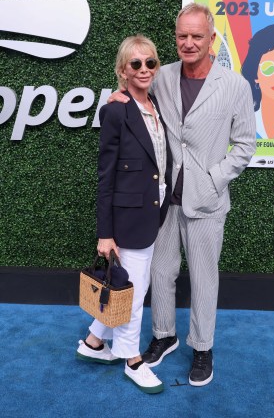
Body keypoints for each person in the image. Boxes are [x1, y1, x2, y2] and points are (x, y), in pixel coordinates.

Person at [109, 3, 256, 386]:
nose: (188, 43)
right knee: (160, 271)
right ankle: (164, 335)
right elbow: (134, 92)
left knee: (205, 277)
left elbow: (244, 146)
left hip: (206, 199)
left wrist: (214, 178)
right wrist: (115, 96)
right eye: (182, 36)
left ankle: (203, 347)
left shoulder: (235, 85)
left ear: (211, 39)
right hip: (163, 199)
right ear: (175, 38)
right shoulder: (161, 76)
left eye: (196, 36)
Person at [76, 34, 172, 394]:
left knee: (124, 286)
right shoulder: (115, 109)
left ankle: (94, 342)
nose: (144, 69)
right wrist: (105, 233)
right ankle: (132, 360)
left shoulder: (157, 104)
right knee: (133, 289)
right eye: (136, 64)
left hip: (153, 209)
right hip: (128, 216)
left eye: (150, 62)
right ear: (123, 70)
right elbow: (107, 175)